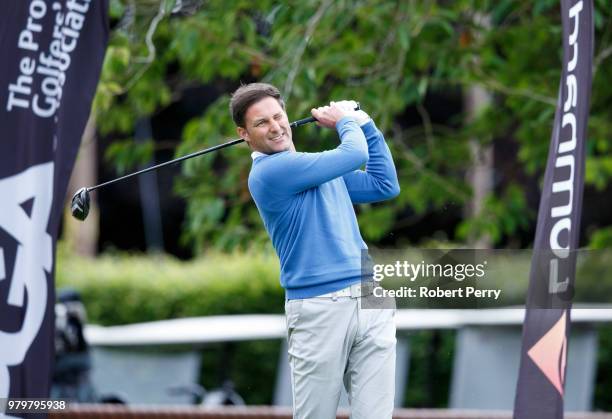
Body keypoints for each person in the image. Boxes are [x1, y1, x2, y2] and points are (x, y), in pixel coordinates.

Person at [230, 82, 400, 419]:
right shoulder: (269, 173)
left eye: (278, 116)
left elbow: (385, 184)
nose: (275, 126)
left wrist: (366, 124)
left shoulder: (314, 168)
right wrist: (347, 121)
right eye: (261, 123)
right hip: (320, 307)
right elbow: (354, 154)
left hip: (370, 295)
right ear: (244, 133)